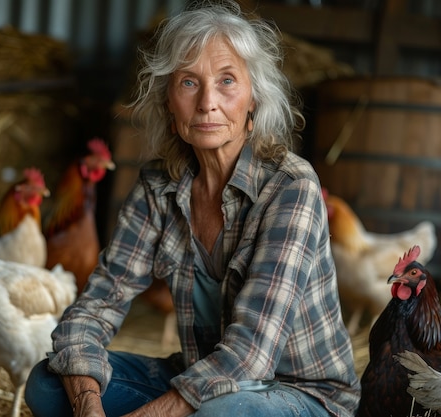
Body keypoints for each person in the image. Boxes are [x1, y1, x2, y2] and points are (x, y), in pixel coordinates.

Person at [24, 1, 361, 416]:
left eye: (226, 81)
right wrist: (88, 404)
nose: (207, 103)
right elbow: (94, 307)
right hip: (202, 377)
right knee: (48, 384)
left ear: (253, 98)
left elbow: (251, 353)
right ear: (168, 100)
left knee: (219, 413)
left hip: (303, 393)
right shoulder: (158, 186)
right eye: (188, 82)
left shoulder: (291, 187)